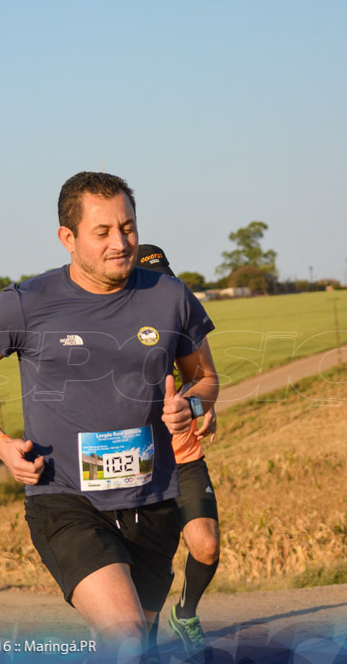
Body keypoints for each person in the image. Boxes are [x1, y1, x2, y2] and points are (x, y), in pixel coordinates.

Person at [0, 172, 219, 658]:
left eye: (128, 227)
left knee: (139, 641)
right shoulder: (27, 303)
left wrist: (190, 406)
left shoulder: (170, 296)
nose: (121, 242)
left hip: (152, 500)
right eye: (104, 232)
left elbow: (207, 381)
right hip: (66, 499)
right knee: (126, 633)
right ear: (67, 238)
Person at [137, 245, 220, 658]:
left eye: (164, 274)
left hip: (184, 457)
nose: (161, 284)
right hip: (137, 465)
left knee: (205, 545)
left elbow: (206, 381)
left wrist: (201, 408)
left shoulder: (181, 318)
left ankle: (185, 614)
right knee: (148, 570)